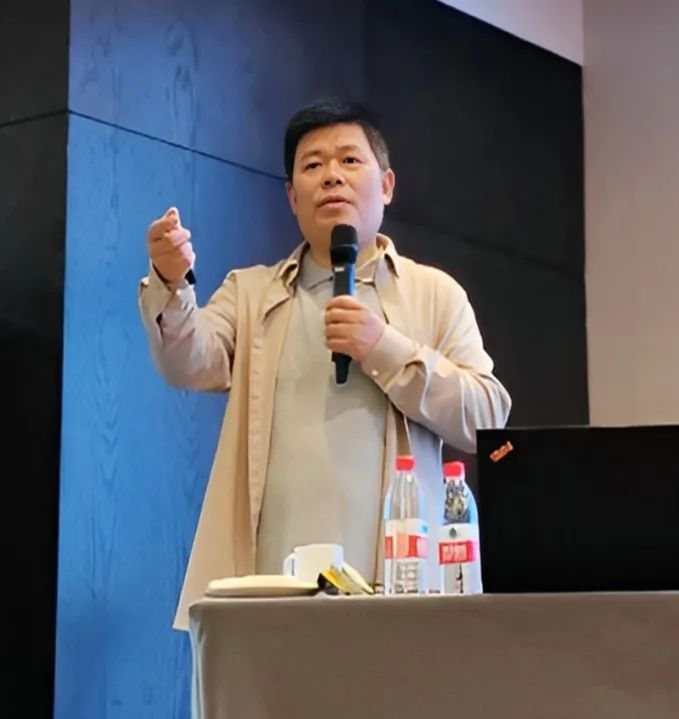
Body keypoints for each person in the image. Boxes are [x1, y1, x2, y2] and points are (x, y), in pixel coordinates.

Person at [138, 98, 511, 630]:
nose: (332, 175)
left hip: (401, 593)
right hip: (270, 591)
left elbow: (488, 419)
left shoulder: (435, 294)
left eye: (350, 160)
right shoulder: (250, 293)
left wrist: (384, 347)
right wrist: (171, 283)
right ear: (292, 197)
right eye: (312, 165)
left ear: (386, 185)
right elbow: (187, 363)